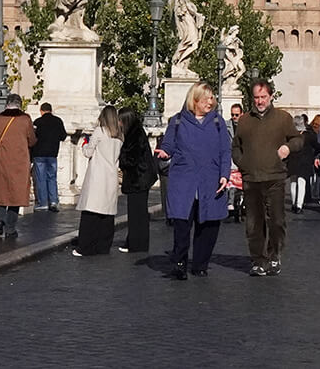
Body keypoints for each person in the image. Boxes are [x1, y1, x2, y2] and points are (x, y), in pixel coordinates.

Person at [157, 83, 230, 278]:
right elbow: (168, 144)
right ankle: (179, 263)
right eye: (206, 98)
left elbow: (225, 150)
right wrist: (164, 153)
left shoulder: (217, 122)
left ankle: (200, 264)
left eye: (212, 97)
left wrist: (225, 174)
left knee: (208, 226)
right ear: (195, 100)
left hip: (210, 180)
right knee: (182, 225)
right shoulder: (178, 121)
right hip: (184, 182)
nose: (210, 101)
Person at [232, 81, 303, 276]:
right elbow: (236, 146)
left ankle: (274, 256)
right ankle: (258, 260)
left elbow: (297, 139)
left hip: (275, 177)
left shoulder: (283, 118)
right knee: (254, 223)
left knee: (277, 220)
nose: (260, 101)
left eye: (263, 97)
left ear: (270, 96)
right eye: (256, 97)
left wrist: (288, 148)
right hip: (251, 177)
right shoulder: (245, 120)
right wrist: (242, 162)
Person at [0, 96, 37, 240]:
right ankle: (10, 228)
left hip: (3, 159)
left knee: (2, 191)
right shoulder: (25, 119)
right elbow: (31, 140)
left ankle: (0, 219)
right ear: (19, 105)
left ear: (6, 104)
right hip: (20, 160)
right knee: (16, 195)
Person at [74, 106, 123, 257]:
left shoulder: (100, 131)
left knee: (91, 213)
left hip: (97, 176)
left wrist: (83, 145)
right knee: (107, 214)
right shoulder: (120, 136)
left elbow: (88, 152)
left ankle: (85, 246)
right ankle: (103, 246)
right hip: (111, 176)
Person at [118, 108, 156, 253]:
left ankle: (136, 243)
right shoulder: (137, 132)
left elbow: (131, 158)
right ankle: (135, 241)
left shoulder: (133, 135)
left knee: (136, 213)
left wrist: (122, 161)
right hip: (141, 177)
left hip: (137, 178)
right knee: (139, 212)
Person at [31, 103, 66, 212]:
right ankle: (53, 201)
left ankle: (43, 203)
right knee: (52, 177)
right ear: (51, 110)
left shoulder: (37, 122)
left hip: (39, 153)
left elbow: (33, 138)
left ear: (41, 111)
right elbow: (63, 136)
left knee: (41, 178)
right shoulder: (58, 121)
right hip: (52, 154)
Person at [286, 112, 316, 213]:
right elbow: (316, 145)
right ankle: (299, 205)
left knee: (293, 183)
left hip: (293, 160)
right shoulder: (308, 135)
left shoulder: (290, 136)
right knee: (302, 183)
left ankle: (294, 203)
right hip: (304, 162)